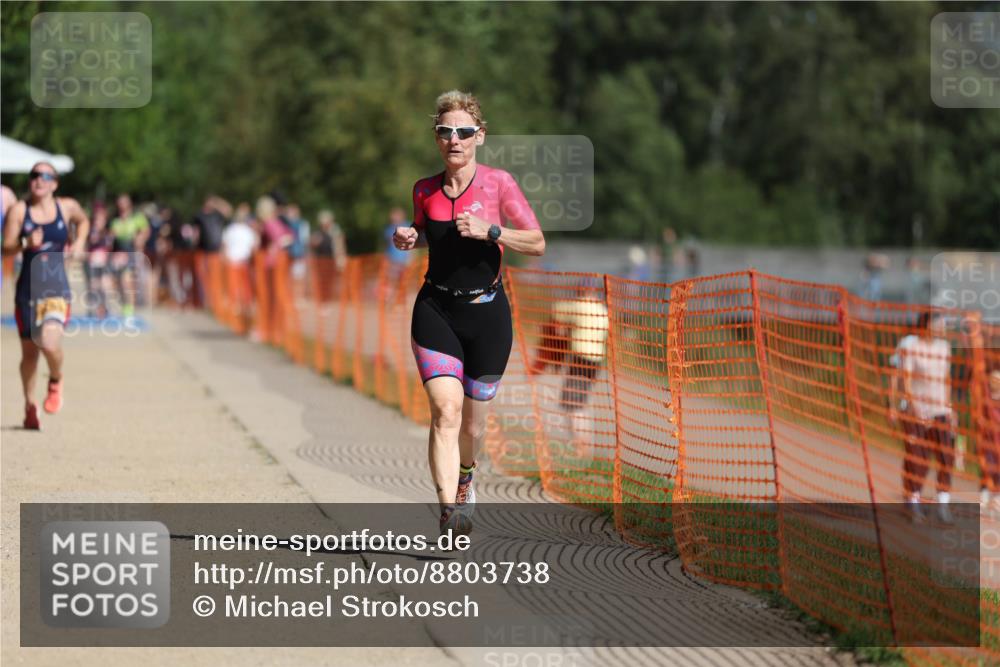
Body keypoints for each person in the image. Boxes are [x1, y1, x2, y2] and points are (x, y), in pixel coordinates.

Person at [393, 90, 546, 535]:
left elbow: (536, 243)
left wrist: (492, 231)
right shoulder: (424, 188)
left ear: (479, 135)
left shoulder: (499, 184)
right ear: (437, 138)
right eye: (445, 132)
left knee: (473, 426)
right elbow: (426, 234)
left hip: (487, 316)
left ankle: (466, 477)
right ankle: (449, 511)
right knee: (445, 410)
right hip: (436, 309)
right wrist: (409, 237)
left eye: (463, 131)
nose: (454, 140)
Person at [1, 162, 89, 430]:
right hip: (27, 290)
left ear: (54, 183)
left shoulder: (67, 207)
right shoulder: (19, 211)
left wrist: (80, 242)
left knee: (49, 344)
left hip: (56, 289)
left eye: (44, 176)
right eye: (34, 176)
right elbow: (6, 248)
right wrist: (27, 243)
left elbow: (83, 221)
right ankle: (30, 406)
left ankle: (55, 379)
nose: (38, 180)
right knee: (29, 354)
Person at [889, 311, 955, 524]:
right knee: (919, 459)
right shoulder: (911, 346)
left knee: (946, 457)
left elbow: (946, 379)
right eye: (939, 323)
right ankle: (914, 503)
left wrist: (949, 408)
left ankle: (943, 506)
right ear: (927, 325)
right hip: (916, 410)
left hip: (940, 410)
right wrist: (913, 407)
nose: (943, 327)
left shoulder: (944, 348)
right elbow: (904, 379)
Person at [531, 283, 609, 460]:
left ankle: (583, 448)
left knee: (572, 406)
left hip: (580, 360)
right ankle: (584, 447)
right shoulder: (603, 312)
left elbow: (556, 309)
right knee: (579, 404)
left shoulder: (580, 305)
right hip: (596, 362)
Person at [109, 193, 149, 320]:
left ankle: (130, 310)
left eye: (124, 202)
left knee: (128, 281)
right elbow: (111, 236)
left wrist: (140, 238)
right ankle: (125, 306)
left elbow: (146, 231)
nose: (122, 205)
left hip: (131, 253)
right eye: (120, 202)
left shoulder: (137, 217)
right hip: (117, 254)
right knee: (117, 282)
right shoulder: (115, 219)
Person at [221, 204, 258, 331]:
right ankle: (241, 315)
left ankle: (238, 315)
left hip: (235, 262)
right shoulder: (247, 231)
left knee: (236, 290)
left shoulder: (231, 229)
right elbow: (254, 248)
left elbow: (225, 247)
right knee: (243, 290)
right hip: (242, 263)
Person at [84, 203, 113, 318]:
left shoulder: (107, 232)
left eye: (101, 219)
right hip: (92, 263)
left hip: (104, 263)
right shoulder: (90, 232)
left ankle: (104, 308)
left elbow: (110, 247)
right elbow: (87, 246)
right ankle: (93, 309)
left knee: (105, 286)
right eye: (97, 219)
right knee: (93, 286)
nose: (99, 221)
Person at [310, 209, 346, 302]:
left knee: (330, 280)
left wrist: (341, 257)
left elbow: (340, 245)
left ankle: (327, 297)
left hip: (331, 259)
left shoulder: (335, 232)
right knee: (321, 280)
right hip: (320, 260)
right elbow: (312, 243)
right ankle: (322, 297)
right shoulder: (318, 232)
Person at [980, 370, 1000, 514]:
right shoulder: (985, 398)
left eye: (998, 380)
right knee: (987, 466)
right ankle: (984, 494)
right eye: (993, 380)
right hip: (987, 439)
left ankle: (997, 498)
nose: (995, 382)